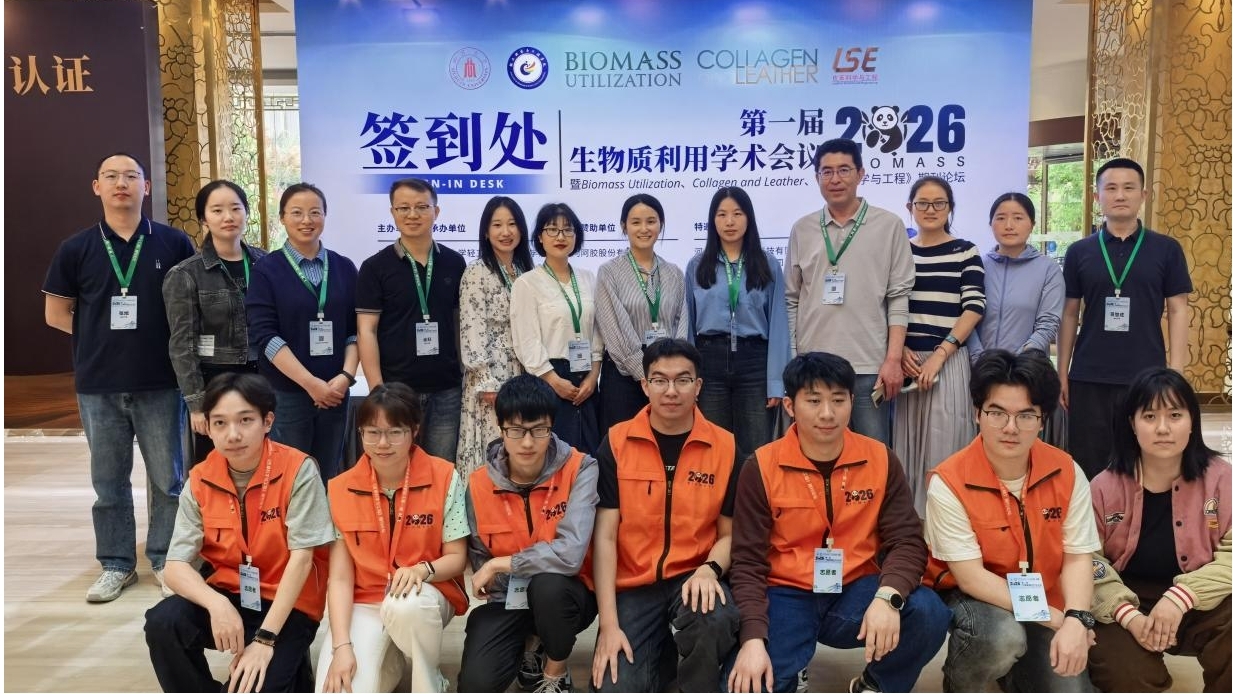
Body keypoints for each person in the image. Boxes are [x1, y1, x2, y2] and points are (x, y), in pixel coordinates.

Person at [728, 352, 950, 694]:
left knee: (927, 612)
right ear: (789, 406)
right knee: (747, 685)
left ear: (851, 401)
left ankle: (875, 685)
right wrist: (753, 639)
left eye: (838, 400)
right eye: (813, 401)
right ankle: (791, 667)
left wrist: (888, 596)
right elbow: (747, 562)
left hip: (857, 589)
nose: (827, 413)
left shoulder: (880, 458)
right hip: (785, 593)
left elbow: (907, 540)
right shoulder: (761, 466)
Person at [43, 152, 196, 602]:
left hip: (161, 382)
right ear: (97, 187)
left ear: (146, 187)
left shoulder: (173, 243)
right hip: (99, 385)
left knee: (168, 480)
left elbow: (190, 308)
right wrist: (98, 336)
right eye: (111, 176)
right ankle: (116, 564)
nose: (121, 183)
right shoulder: (76, 248)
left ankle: (166, 561)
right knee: (108, 482)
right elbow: (56, 314)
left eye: (131, 176)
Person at [923, 349, 1102, 692]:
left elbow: (1078, 557)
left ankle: (1016, 672)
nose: (1010, 428)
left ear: (1043, 420)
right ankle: (963, 683)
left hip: (1045, 595)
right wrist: (1055, 619)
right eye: (997, 413)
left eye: (1026, 416)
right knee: (1002, 637)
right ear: (977, 413)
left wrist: (1077, 619)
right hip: (977, 597)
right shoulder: (949, 481)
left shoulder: (1066, 471)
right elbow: (972, 577)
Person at [144, 373, 333, 693]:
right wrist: (217, 605)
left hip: (290, 602)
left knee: (259, 684)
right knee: (163, 622)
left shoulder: (298, 469)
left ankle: (291, 664)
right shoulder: (200, 479)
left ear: (267, 421)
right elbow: (175, 567)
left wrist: (265, 639)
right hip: (231, 593)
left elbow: (302, 560)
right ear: (208, 427)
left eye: (245, 420)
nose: (233, 434)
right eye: (220, 423)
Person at [591, 338, 741, 693]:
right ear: (645, 385)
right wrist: (609, 627)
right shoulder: (616, 442)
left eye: (682, 380)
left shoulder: (725, 446)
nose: (671, 391)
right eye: (660, 380)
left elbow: (730, 534)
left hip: (693, 577)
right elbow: (605, 537)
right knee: (616, 687)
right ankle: (662, 660)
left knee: (715, 617)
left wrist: (709, 569)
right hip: (634, 586)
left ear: (698, 386)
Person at [317, 382, 470, 693]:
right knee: (337, 689)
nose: (383, 443)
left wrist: (422, 570)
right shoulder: (339, 488)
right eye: (372, 432)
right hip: (365, 602)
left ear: (415, 431)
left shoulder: (444, 476)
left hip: (423, 595)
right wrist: (341, 646)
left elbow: (457, 558)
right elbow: (341, 578)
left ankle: (429, 681)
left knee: (408, 608)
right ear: (360, 433)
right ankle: (392, 661)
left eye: (395, 432)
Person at [1087, 368, 1230, 692]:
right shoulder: (1103, 487)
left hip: (1201, 594)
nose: (1163, 428)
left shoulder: (1222, 479)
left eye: (1175, 415)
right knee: (1123, 672)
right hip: (1126, 598)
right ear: (1132, 424)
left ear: (1192, 422)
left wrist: (1181, 597)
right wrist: (1128, 615)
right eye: (1149, 416)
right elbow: (1088, 561)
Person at [459, 374, 600, 694]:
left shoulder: (581, 468)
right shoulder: (479, 484)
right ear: (501, 429)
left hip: (567, 596)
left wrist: (501, 563)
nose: (527, 442)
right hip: (507, 599)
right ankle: (530, 642)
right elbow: (480, 560)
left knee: (548, 586)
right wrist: (498, 574)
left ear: (552, 427)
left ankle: (555, 673)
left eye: (538, 430)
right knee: (476, 685)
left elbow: (571, 555)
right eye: (516, 430)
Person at [1058, 157, 1192, 478]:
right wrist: (1062, 372)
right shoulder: (1079, 251)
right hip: (1089, 376)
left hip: (1146, 373)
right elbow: (1069, 313)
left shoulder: (1167, 249)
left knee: (1143, 460)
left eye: (1129, 188)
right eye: (1111, 188)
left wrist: (1176, 371)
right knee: (1088, 460)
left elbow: (1178, 310)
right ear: (1097, 196)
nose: (1120, 195)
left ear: (1143, 195)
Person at [784, 138, 914, 446]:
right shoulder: (802, 229)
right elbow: (791, 299)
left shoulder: (889, 226)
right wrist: (793, 359)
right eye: (826, 172)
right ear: (817, 177)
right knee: (816, 450)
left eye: (844, 170)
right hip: (813, 366)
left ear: (861, 173)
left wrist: (893, 359)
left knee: (873, 453)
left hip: (870, 366)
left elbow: (898, 297)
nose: (835, 179)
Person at [246, 183, 359, 481]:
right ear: (282, 218)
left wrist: (345, 377)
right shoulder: (266, 270)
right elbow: (266, 336)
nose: (306, 220)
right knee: (290, 478)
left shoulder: (344, 267)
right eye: (297, 213)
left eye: (315, 212)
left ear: (325, 216)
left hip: (335, 392)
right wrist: (311, 384)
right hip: (287, 394)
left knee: (328, 475)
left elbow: (354, 331)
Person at [357, 178, 466, 462]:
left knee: (441, 468)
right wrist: (378, 390)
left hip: (446, 389)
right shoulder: (374, 267)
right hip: (396, 389)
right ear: (392, 213)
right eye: (403, 208)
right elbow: (366, 331)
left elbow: (460, 326)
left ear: (436, 212)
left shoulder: (455, 263)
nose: (412, 214)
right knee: (395, 466)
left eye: (421, 207)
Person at [895, 176, 985, 514]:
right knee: (905, 453)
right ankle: (911, 532)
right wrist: (898, 349)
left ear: (950, 208)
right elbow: (887, 304)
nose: (930, 210)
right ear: (910, 207)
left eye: (939, 203)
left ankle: (945, 530)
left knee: (945, 450)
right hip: (906, 364)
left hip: (948, 361)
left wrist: (940, 355)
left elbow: (974, 307)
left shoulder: (965, 251)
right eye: (922, 203)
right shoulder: (900, 251)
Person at [164, 180, 268, 466]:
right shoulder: (186, 274)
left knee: (265, 461)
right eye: (217, 210)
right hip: (214, 381)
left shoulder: (267, 263)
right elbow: (181, 345)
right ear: (203, 219)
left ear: (247, 213)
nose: (228, 217)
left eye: (236, 208)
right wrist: (197, 404)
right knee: (217, 466)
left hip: (265, 377)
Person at [685, 186, 789, 463]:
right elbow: (687, 327)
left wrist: (776, 383)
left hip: (754, 362)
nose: (729, 222)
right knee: (712, 447)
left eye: (737, 214)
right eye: (722, 214)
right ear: (713, 220)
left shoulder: (767, 264)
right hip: (709, 361)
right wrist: (688, 377)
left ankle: (752, 493)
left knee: (756, 449)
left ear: (749, 218)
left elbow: (779, 325)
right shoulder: (697, 266)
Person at [966, 192, 1065, 446]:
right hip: (980, 373)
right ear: (990, 224)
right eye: (1001, 218)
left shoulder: (1048, 269)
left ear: (1032, 224)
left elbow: (1048, 323)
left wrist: (1017, 364)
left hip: (1028, 376)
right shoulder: (978, 266)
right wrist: (980, 359)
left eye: (1018, 218)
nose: (1009, 225)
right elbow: (967, 316)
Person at [510, 203, 603, 454]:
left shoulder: (588, 278)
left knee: (588, 455)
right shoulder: (527, 283)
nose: (560, 236)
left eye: (567, 229)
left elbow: (598, 330)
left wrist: (594, 375)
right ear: (540, 237)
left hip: (586, 378)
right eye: (552, 229)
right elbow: (526, 340)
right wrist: (552, 380)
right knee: (553, 454)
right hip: (549, 378)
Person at [596, 194, 689, 430]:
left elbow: (682, 325)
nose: (644, 228)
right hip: (624, 378)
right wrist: (648, 376)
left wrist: (668, 374)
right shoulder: (609, 272)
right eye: (636, 222)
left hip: (668, 378)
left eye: (651, 221)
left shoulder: (674, 273)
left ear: (661, 225)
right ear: (624, 226)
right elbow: (615, 330)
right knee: (624, 443)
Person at [457, 196, 533, 480]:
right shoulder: (476, 271)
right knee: (494, 446)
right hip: (491, 376)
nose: (506, 232)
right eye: (497, 225)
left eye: (512, 224)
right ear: (486, 232)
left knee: (522, 444)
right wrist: (486, 380)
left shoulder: (527, 271)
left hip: (524, 370)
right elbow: (471, 328)